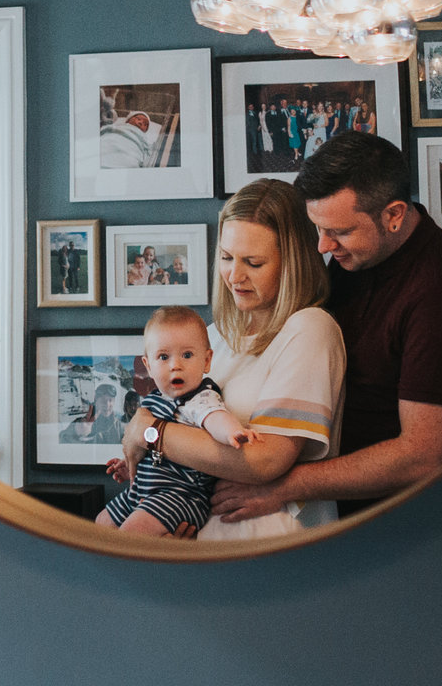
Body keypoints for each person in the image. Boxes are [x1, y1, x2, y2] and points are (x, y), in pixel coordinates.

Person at [212, 131, 442, 526]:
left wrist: (284, 485)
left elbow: (422, 455)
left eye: (340, 232)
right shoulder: (359, 257)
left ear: (393, 215)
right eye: (318, 229)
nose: (324, 247)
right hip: (342, 516)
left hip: (408, 526)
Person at [122, 179, 347, 541]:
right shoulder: (211, 338)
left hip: (278, 544)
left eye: (253, 263)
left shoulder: (308, 328)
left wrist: (150, 433)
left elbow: (264, 461)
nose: (234, 276)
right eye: (227, 258)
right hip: (204, 544)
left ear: (292, 262)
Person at [98, 306, 257, 537]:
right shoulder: (152, 401)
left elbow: (215, 417)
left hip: (181, 495)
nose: (175, 365)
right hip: (145, 489)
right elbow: (144, 446)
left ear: (206, 360)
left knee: (132, 534)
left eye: (187, 355)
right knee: (102, 523)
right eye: (164, 357)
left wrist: (233, 432)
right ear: (149, 366)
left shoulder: (200, 398)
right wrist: (129, 466)